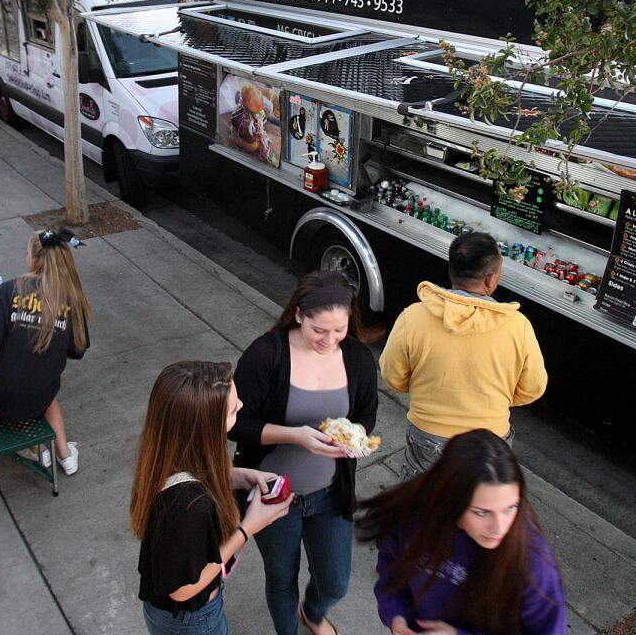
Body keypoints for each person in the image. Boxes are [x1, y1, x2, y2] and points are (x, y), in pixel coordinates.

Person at [230, 271, 378, 635]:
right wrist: (297, 436)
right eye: (319, 330)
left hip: (329, 493)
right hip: (272, 495)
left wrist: (356, 435)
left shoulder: (357, 358)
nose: (330, 340)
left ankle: (312, 613)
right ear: (299, 315)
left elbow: (365, 415)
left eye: (339, 330)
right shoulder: (267, 354)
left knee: (335, 582)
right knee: (281, 577)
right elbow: (236, 425)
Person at [132, 361, 294, 635]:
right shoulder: (187, 507)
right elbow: (182, 590)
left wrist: (236, 475)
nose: (241, 406)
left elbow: (193, 471)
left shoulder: (164, 454)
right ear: (205, 426)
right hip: (191, 620)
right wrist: (247, 528)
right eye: (233, 409)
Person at [357, 429, 567, 635]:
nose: (500, 527)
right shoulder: (412, 519)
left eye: (510, 508)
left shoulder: (532, 562)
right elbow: (391, 573)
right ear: (451, 499)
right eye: (481, 512)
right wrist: (396, 615)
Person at [380, 231, 548, 480]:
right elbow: (533, 387)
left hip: (428, 436)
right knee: (478, 510)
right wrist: (492, 398)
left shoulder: (413, 316)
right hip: (490, 440)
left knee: (420, 508)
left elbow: (393, 377)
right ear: (490, 280)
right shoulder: (517, 326)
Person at [0, 228, 91, 475]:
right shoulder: (71, 299)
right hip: (41, 395)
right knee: (48, 398)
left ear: (33, 258)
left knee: (20, 391)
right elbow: (77, 349)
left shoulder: (8, 290)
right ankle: (66, 455)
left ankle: (37, 450)